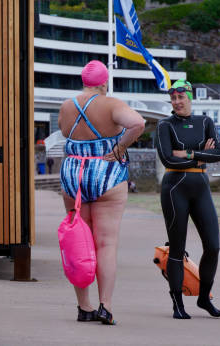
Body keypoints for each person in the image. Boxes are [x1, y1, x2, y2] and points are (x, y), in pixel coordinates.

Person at [58, 60, 145, 325]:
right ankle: (105, 306)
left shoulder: (67, 105)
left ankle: (84, 307)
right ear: (104, 83)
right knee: (106, 243)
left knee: (78, 241)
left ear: (84, 82)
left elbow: (64, 130)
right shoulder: (112, 104)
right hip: (107, 172)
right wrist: (118, 148)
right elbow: (138, 124)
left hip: (74, 175)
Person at [155, 79, 220, 319]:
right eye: (173, 99)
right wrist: (199, 157)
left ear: (190, 97)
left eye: (180, 97)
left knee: (213, 246)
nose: (176, 102)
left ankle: (204, 298)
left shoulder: (205, 122)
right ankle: (177, 304)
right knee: (177, 248)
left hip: (200, 187)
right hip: (175, 188)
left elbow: (218, 154)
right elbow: (167, 159)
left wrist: (186, 153)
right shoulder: (165, 125)